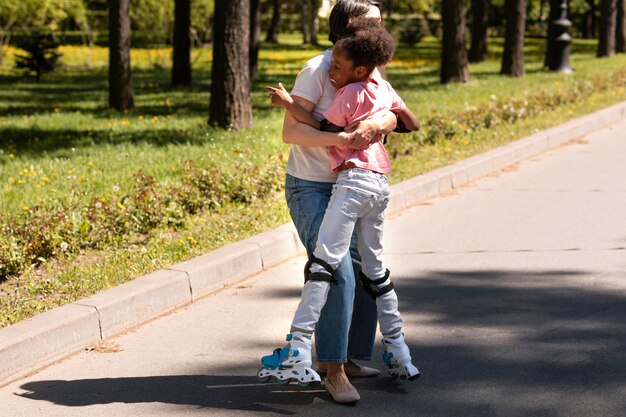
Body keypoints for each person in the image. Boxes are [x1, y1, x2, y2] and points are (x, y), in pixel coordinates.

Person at [257, 16, 421, 404]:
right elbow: (292, 132)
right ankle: (331, 370)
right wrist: (346, 137)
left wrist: (382, 118)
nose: (380, 25)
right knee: (338, 272)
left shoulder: (370, 71)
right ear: (350, 24)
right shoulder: (318, 69)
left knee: (364, 271)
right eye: (373, 18)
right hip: (313, 187)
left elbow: (401, 116)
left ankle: (346, 359)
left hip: (352, 187)